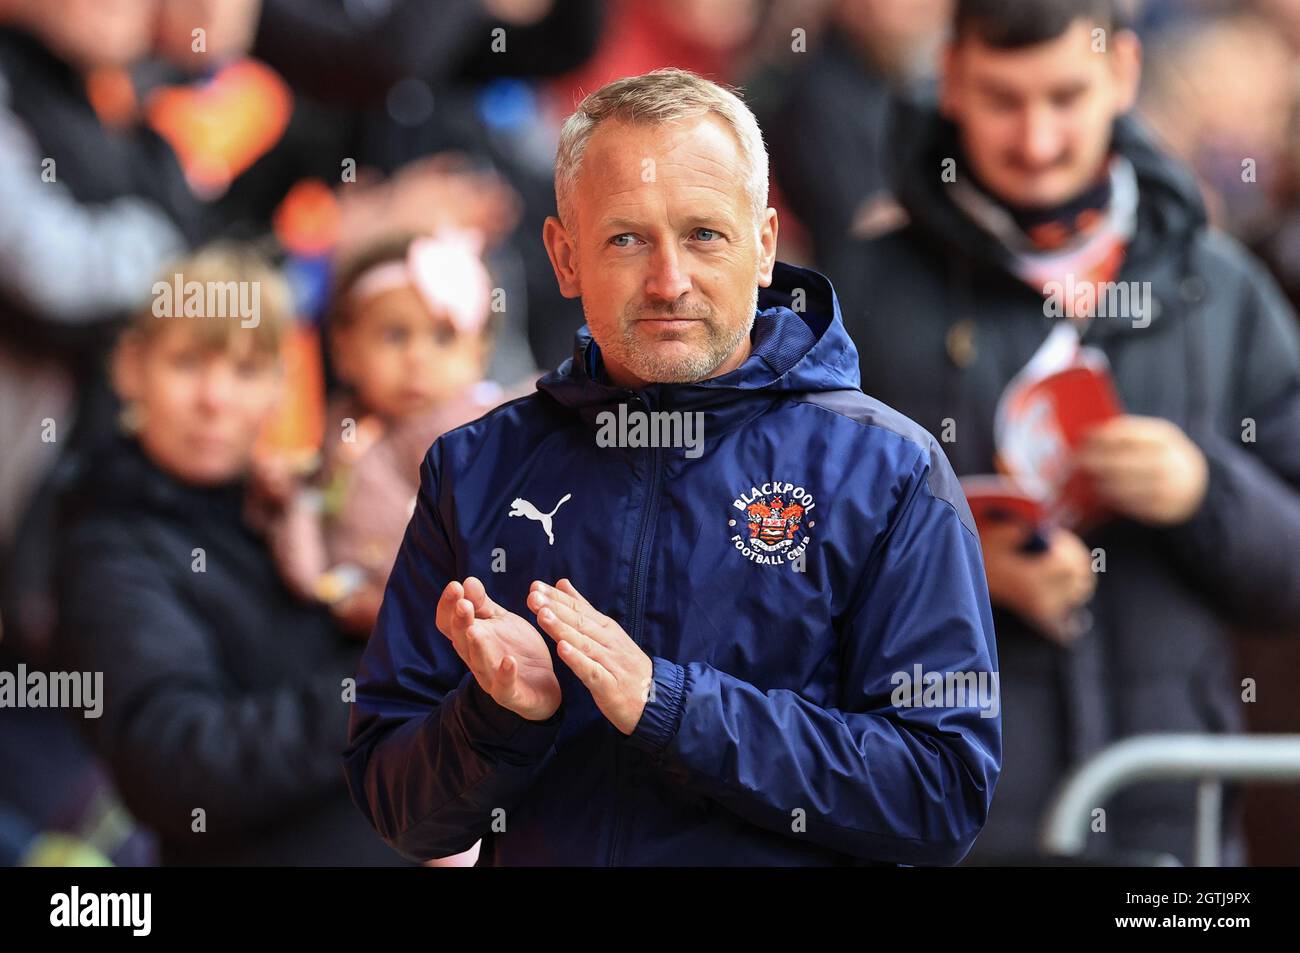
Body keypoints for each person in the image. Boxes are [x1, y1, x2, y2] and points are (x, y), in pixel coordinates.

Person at [343, 68, 1001, 866]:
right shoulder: (477, 465)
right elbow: (398, 810)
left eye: (703, 234)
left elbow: (942, 793)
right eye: (625, 238)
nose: (669, 281)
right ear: (564, 256)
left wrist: (671, 706)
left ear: (763, 246)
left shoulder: (890, 473)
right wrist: (498, 719)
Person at [827, 0, 1300, 864]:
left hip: (1175, 821)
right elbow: (776, 552)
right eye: (1005, 99)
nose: (1037, 139)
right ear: (955, 77)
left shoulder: (1220, 287)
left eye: (1065, 97)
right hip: (945, 813)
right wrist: (956, 566)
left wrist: (1205, 490)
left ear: (1122, 72)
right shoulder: (864, 290)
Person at [54, 244, 404, 865]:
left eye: (245, 371)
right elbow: (175, 766)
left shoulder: (297, 507)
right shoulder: (110, 544)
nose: (215, 398)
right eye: (188, 363)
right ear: (131, 369)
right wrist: (391, 679)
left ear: (279, 387)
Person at [266, 229, 534, 639]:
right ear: (343, 350)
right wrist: (287, 496)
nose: (417, 358)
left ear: (479, 351)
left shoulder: (483, 428)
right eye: (394, 336)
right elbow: (318, 500)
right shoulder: (341, 427)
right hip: (349, 613)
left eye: (443, 337)